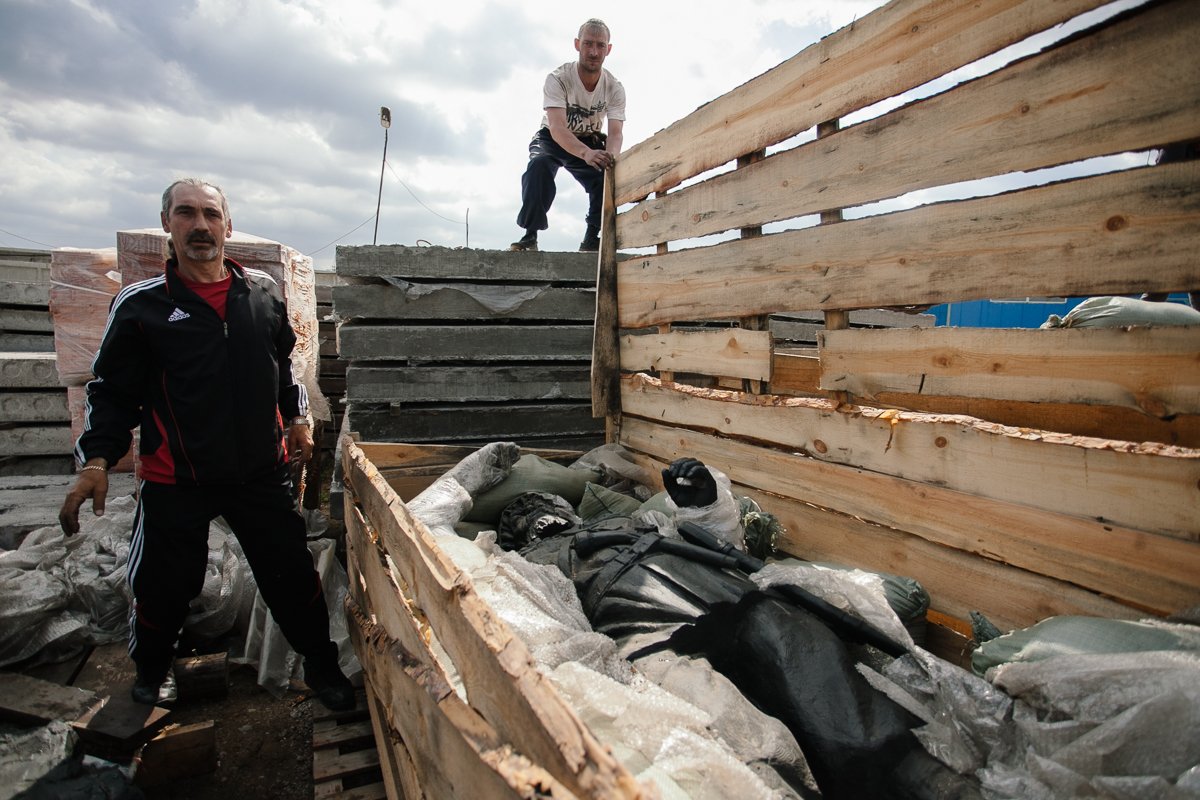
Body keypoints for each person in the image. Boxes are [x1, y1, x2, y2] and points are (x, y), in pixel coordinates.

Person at [58, 178, 354, 712]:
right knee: (164, 586)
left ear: (228, 226)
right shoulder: (143, 306)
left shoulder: (260, 293)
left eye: (211, 215)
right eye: (187, 214)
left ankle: (322, 665)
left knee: (292, 577)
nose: (200, 226)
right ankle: (152, 672)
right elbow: (112, 390)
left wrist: (299, 419)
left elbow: (284, 366)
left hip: (259, 473)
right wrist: (96, 459)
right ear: (168, 226)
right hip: (178, 478)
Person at [510, 18, 626, 253]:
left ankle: (591, 239)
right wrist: (584, 153)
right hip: (553, 137)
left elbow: (615, 133)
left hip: (589, 139)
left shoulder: (614, 87)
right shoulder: (559, 78)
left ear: (609, 49)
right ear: (577, 44)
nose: (594, 52)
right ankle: (529, 236)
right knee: (539, 165)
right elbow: (557, 128)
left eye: (600, 46)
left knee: (605, 175)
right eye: (588, 44)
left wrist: (610, 160)